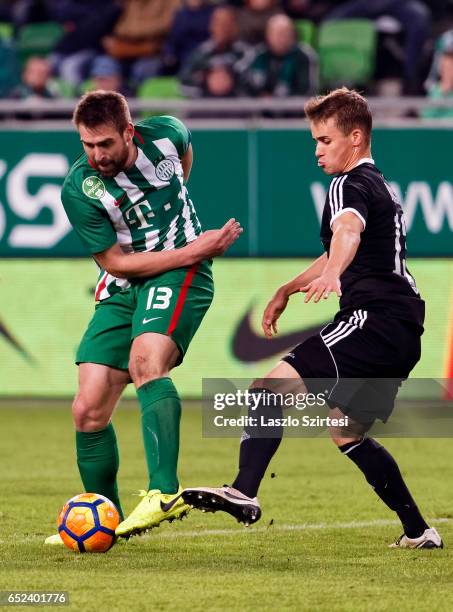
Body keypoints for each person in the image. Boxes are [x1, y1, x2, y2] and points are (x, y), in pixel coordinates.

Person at [183, 88, 444, 550]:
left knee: (267, 389)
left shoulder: (347, 184)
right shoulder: (380, 184)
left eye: (325, 140)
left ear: (356, 138)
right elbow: (338, 245)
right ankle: (419, 531)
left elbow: (347, 233)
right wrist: (289, 287)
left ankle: (243, 490)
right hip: (403, 329)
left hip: (373, 319)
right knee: (346, 431)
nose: (317, 150)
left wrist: (335, 273)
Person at [45, 90, 242, 544]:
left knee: (146, 362)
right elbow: (114, 263)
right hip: (125, 283)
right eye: (88, 146)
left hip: (181, 274)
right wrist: (194, 245)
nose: (96, 156)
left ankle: (165, 492)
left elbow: (185, 151)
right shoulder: (79, 189)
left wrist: (184, 240)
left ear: (129, 132)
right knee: (88, 408)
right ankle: (102, 519)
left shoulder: (167, 134)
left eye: (106, 144)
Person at [180, 5, 254, 98]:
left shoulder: (246, 53)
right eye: (218, 23)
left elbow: (254, 83)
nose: (222, 28)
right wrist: (205, 81)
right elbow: (183, 82)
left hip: (237, 106)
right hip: (206, 106)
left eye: (226, 24)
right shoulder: (201, 53)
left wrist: (231, 78)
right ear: (211, 26)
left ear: (234, 27)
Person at [243, 14, 317, 97]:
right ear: (268, 35)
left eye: (285, 33)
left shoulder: (304, 56)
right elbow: (243, 82)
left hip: (294, 108)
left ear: (293, 35)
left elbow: (307, 90)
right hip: (255, 107)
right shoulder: (256, 54)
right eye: (277, 33)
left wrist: (276, 100)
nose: (281, 38)